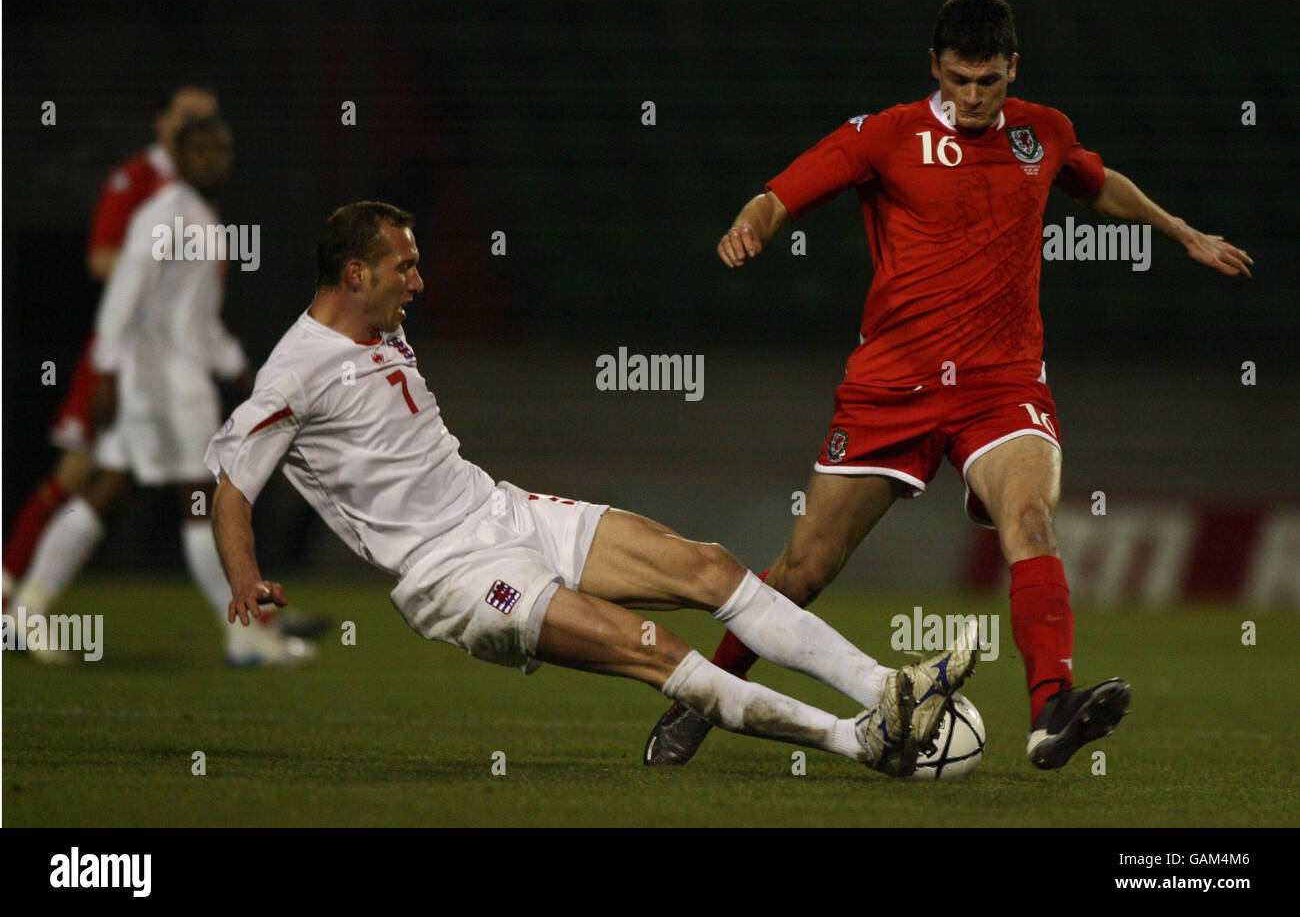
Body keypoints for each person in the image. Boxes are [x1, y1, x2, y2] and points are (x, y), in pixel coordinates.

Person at [645, 0, 1252, 770]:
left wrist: (1182, 232)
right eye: (960, 79)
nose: (972, 97)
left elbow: (1094, 181)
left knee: (1030, 522)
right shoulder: (886, 135)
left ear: (1012, 71)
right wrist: (750, 227)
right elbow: (781, 194)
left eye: (988, 81)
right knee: (803, 569)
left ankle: (1050, 708)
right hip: (891, 388)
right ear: (935, 66)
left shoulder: (1043, 131)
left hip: (1003, 386)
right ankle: (707, 693)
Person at [205, 201, 980, 777]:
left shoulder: (379, 326)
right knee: (655, 650)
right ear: (354, 274)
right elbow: (232, 485)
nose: (418, 279)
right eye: (403, 266)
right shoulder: (295, 370)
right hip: (455, 573)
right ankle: (855, 740)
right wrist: (244, 579)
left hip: (500, 510)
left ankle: (889, 685)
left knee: (707, 564)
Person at [11, 116, 315, 668]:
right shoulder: (165, 214)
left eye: (221, 150)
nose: (214, 160)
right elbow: (122, 297)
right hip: (161, 387)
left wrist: (238, 366)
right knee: (206, 502)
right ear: (176, 155)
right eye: (200, 150)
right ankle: (246, 634)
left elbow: (193, 320)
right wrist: (104, 375)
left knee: (110, 491)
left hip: (168, 382)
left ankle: (28, 611)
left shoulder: (200, 216)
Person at [3, 86, 218, 599]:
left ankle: (23, 607)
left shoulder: (195, 191)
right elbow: (101, 260)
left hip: (164, 358)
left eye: (208, 120)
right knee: (81, 474)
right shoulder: (136, 181)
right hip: (123, 354)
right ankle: (12, 596)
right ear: (162, 121)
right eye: (188, 117)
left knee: (121, 480)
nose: (199, 129)